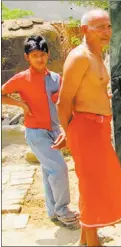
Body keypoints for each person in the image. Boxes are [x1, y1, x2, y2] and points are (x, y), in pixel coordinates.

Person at [53, 9, 121, 246]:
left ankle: (85, 239)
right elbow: (63, 101)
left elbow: (90, 91)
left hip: (98, 128)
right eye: (99, 27)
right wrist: (70, 133)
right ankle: (91, 243)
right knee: (92, 187)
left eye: (108, 26)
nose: (106, 32)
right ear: (85, 30)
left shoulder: (97, 56)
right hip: (85, 129)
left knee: (98, 185)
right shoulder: (80, 57)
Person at [1, 35, 79, 228]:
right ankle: (63, 209)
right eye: (34, 55)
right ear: (27, 57)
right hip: (36, 133)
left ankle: (53, 212)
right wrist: (21, 105)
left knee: (48, 171)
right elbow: (2, 93)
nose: (39, 59)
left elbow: (66, 102)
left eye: (42, 54)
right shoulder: (21, 79)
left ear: (48, 55)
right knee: (59, 168)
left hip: (54, 131)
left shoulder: (55, 78)